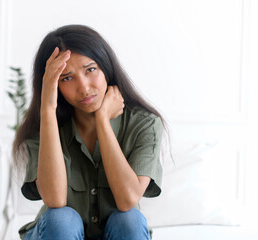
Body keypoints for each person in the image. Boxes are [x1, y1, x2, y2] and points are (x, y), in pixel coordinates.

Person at [12, 24, 169, 240]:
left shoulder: (145, 123)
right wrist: (47, 108)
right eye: (66, 78)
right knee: (61, 220)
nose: (84, 87)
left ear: (106, 67)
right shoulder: (43, 127)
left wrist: (102, 121)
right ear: (53, 84)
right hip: (56, 234)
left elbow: (128, 199)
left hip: (119, 232)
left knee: (130, 220)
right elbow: (55, 200)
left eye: (90, 69)